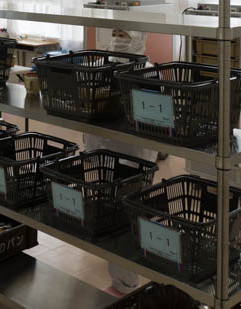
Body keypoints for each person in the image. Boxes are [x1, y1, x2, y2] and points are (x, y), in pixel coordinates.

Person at [85, 29, 158, 296]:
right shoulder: (98, 66)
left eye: (124, 35)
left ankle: (125, 285)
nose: (117, 39)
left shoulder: (149, 73)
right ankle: (121, 271)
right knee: (111, 209)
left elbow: (155, 118)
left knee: (127, 215)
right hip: (103, 151)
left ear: (139, 38)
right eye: (115, 33)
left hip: (134, 155)